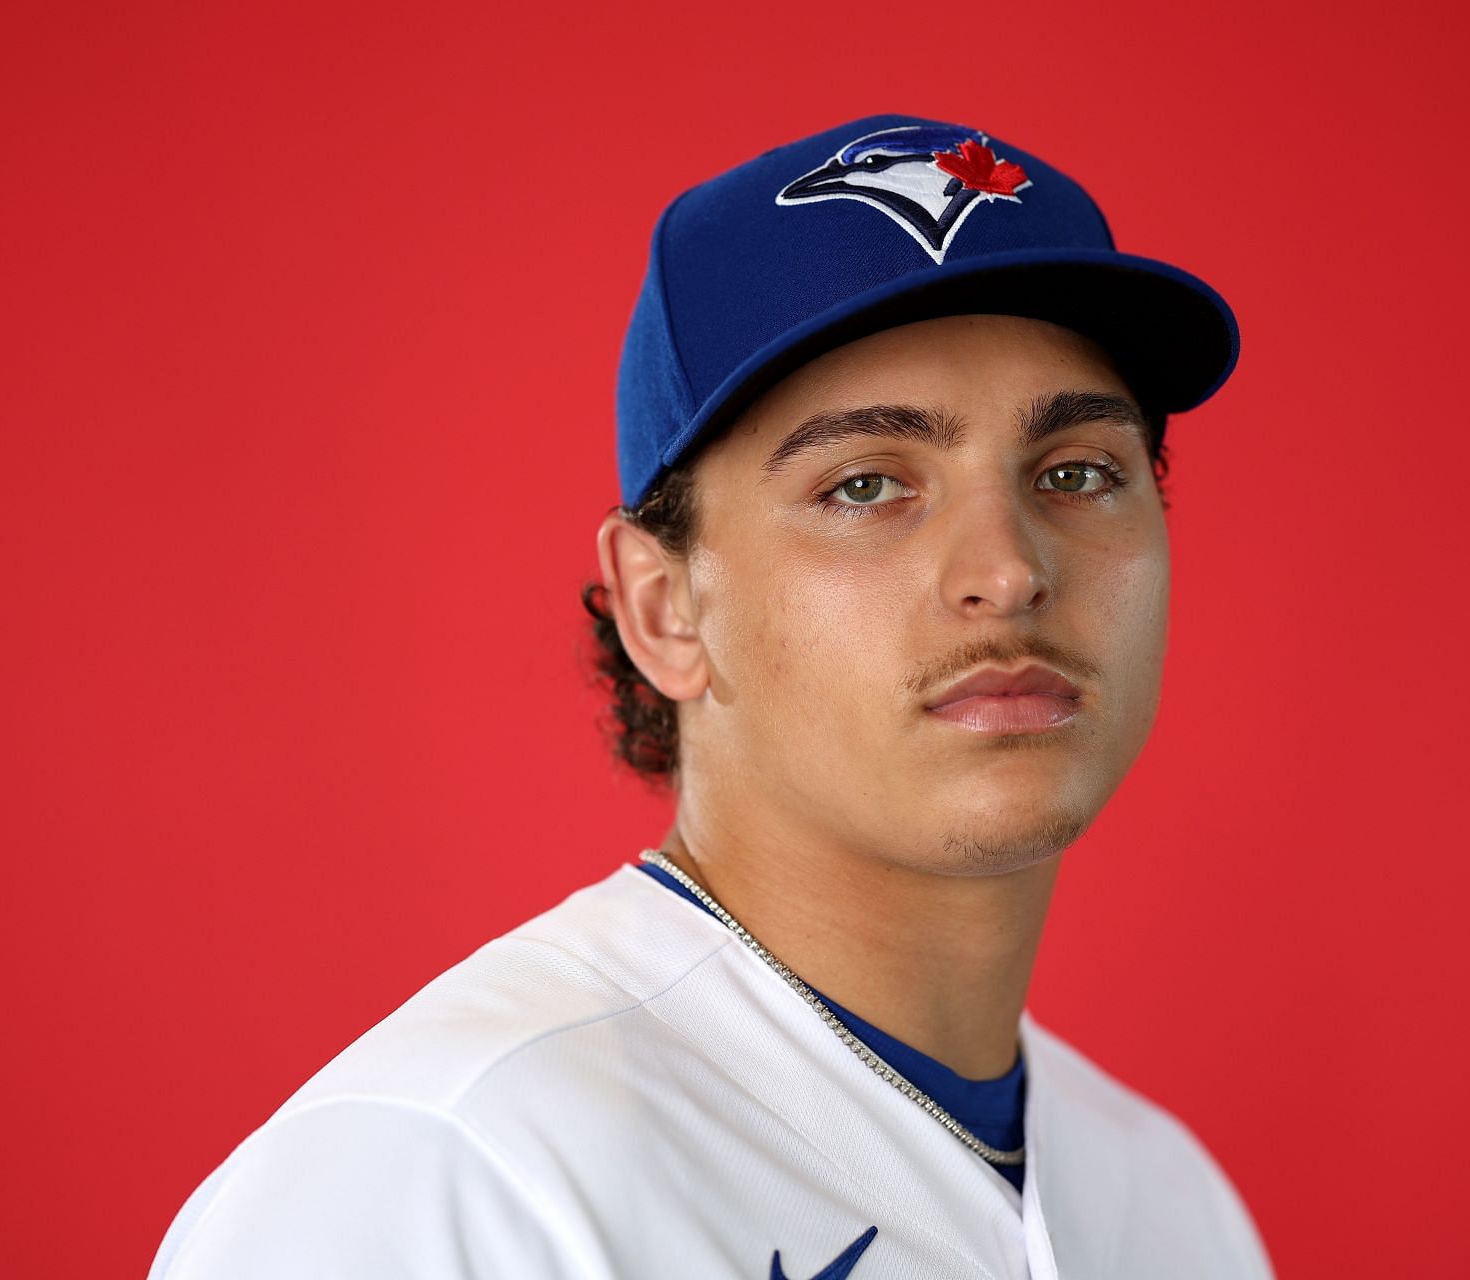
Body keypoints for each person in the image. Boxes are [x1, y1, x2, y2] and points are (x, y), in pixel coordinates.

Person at [148, 113, 1274, 1279]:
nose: (1008, 568)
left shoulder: (1171, 1203)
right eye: (868, 483)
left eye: (1078, 472)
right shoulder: (439, 1176)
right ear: (663, 606)